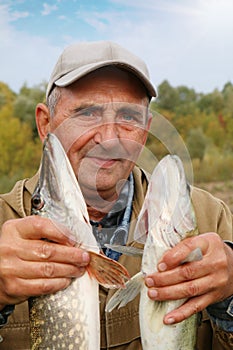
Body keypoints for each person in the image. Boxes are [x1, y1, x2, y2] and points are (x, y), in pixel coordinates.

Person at [0, 41, 233, 350]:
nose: (109, 139)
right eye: (87, 113)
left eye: (128, 116)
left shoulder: (208, 216)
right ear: (45, 124)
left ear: (147, 128)